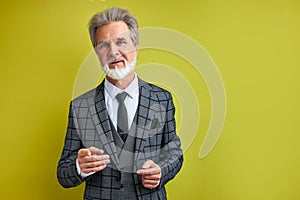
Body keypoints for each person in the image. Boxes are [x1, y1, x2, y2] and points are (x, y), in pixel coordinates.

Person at [57, 7, 183, 200]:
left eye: (121, 42)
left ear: (136, 47)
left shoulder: (162, 98)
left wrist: (161, 171)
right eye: (103, 45)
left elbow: (174, 154)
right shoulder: (80, 107)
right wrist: (78, 168)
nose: (113, 52)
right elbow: (63, 173)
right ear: (97, 53)